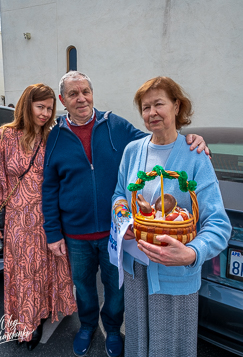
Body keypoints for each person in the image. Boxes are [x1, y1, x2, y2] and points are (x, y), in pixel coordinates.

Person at [42, 71, 209, 357]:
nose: (81, 98)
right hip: (76, 233)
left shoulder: (114, 125)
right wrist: (53, 232)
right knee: (83, 287)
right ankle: (86, 326)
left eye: (86, 91)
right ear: (62, 100)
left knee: (116, 288)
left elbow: (156, 141)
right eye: (73, 94)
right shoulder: (54, 136)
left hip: (116, 232)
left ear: (92, 93)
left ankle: (112, 329)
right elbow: (49, 187)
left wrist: (190, 139)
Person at [109, 76, 231, 357]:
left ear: (176, 106)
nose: (152, 113)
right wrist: (123, 220)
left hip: (175, 274)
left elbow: (218, 224)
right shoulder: (132, 151)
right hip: (136, 271)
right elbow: (118, 195)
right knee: (138, 344)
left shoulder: (195, 155)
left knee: (171, 349)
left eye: (159, 104)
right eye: (145, 106)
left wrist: (191, 254)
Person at [0, 84, 77, 351]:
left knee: (47, 268)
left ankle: (43, 311)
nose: (45, 113)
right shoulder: (5, 136)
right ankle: (27, 324)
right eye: (40, 107)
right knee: (24, 273)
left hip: (49, 218)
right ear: (27, 105)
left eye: (49, 108)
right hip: (19, 221)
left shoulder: (53, 137)